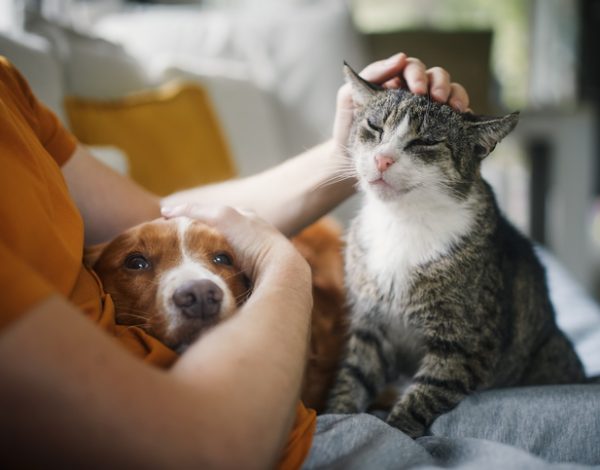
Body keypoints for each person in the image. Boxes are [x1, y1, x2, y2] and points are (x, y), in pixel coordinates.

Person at [0, 52, 469, 468]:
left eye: (223, 259)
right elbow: (204, 448)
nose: (199, 289)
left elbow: (160, 219)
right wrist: (281, 265)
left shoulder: (9, 88)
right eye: (138, 265)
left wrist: (346, 155)